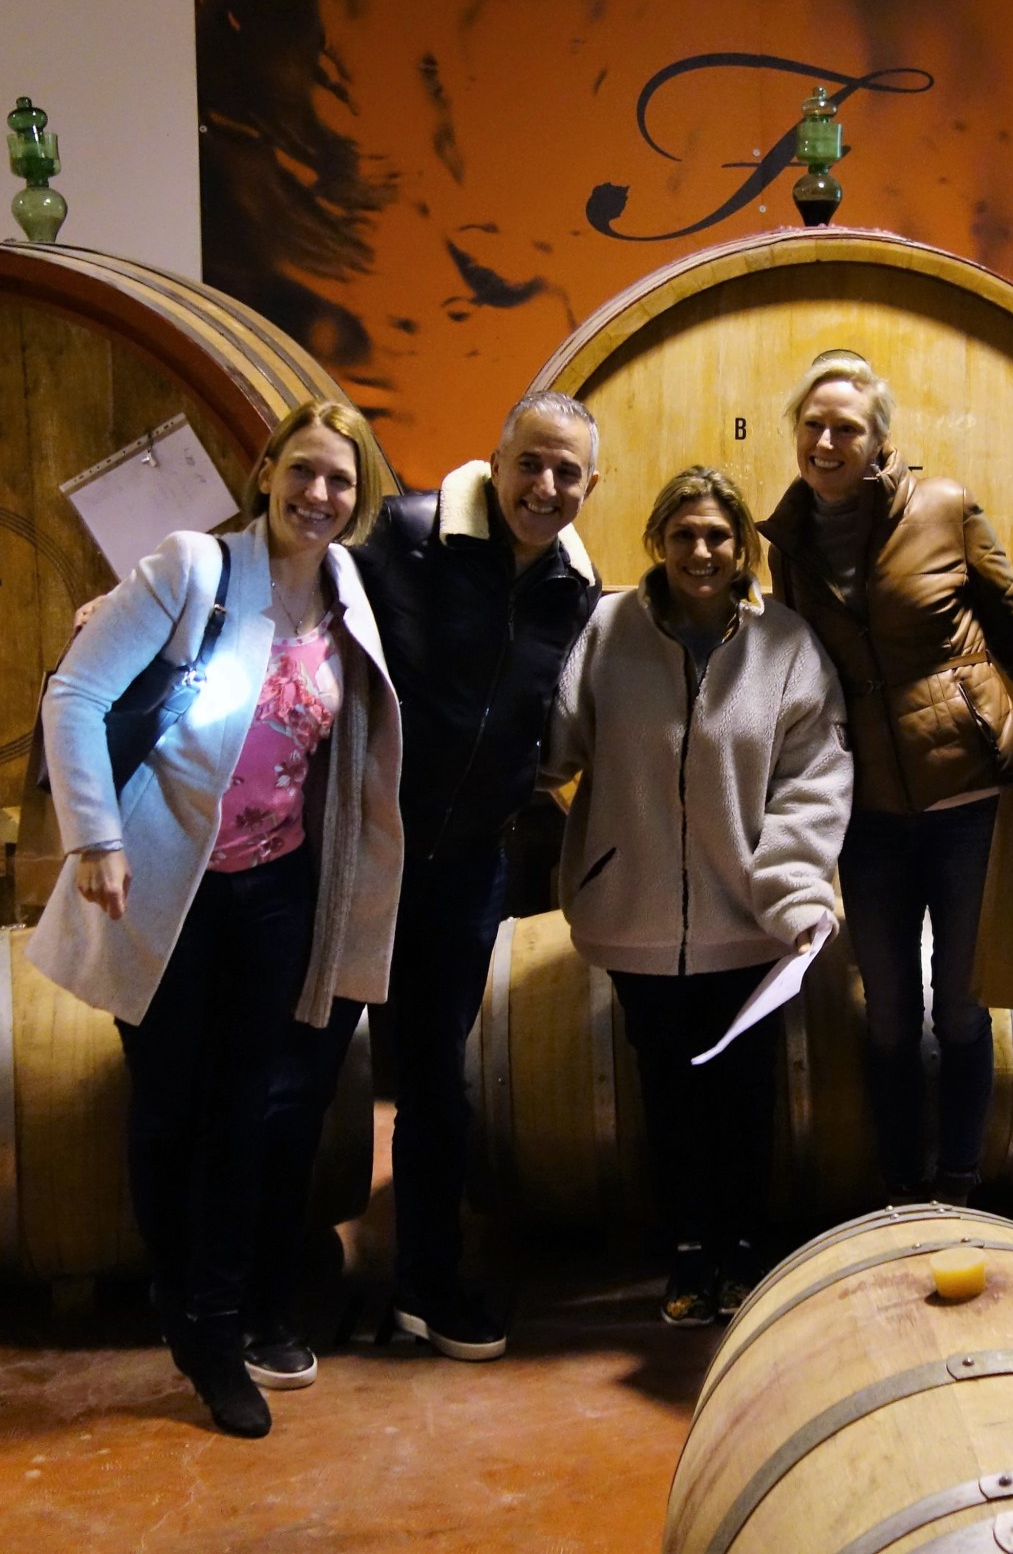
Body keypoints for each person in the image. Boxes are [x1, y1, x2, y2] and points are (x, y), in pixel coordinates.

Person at [32, 399, 403, 1438]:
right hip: (164, 885)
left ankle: (218, 1316)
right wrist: (95, 838)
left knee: (254, 1110)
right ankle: (188, 1311)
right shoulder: (194, 569)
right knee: (169, 1110)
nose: (319, 496)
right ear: (266, 468)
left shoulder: (345, 593)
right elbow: (74, 696)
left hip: (274, 887)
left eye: (341, 482)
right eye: (306, 471)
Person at [546, 467, 852, 1326]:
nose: (702, 552)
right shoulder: (607, 631)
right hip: (636, 915)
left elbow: (813, 782)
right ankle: (688, 1247)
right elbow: (555, 742)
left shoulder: (786, 645)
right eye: (684, 535)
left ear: (742, 546)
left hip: (746, 922)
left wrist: (795, 896)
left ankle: (744, 1249)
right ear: (659, 543)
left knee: (745, 1097)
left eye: (718, 536)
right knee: (668, 1091)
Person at [349, 391, 602, 1361]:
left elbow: (552, 714)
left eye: (566, 472)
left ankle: (426, 1283)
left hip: (466, 868)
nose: (545, 487)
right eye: (529, 463)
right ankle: (262, 1287)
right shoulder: (408, 534)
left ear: (589, 484)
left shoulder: (575, 585)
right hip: (365, 849)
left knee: (436, 1088)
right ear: (497, 458)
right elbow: (306, 628)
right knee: (301, 1069)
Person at [756, 351, 1013, 1205]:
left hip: (967, 797)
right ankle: (902, 1186)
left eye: (847, 427)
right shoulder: (790, 542)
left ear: (881, 441)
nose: (827, 441)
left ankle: (963, 1181)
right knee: (886, 1015)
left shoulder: (945, 506)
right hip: (867, 810)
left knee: (960, 1008)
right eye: (814, 426)